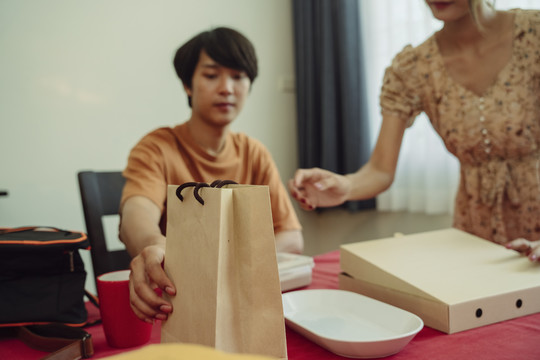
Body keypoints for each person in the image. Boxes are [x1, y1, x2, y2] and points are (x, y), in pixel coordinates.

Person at [289, 1, 540, 261]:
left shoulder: (533, 35)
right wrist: (345, 186)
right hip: (474, 235)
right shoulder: (414, 67)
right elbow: (380, 170)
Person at [119, 27, 303, 323]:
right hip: (180, 308)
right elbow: (136, 215)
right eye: (211, 75)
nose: (227, 88)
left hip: (245, 308)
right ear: (187, 85)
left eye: (238, 76)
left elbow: (291, 237)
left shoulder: (253, 152)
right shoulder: (156, 147)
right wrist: (157, 244)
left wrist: (229, 265)